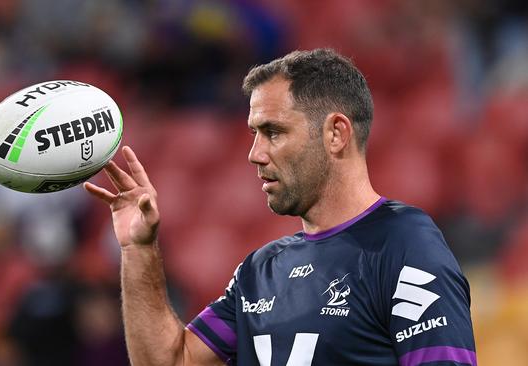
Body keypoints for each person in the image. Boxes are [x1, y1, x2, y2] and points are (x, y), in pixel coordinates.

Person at [83, 49, 477, 366]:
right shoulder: (258, 272)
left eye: (273, 132)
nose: (255, 154)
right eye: (255, 134)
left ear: (336, 134)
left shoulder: (403, 245)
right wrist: (139, 250)